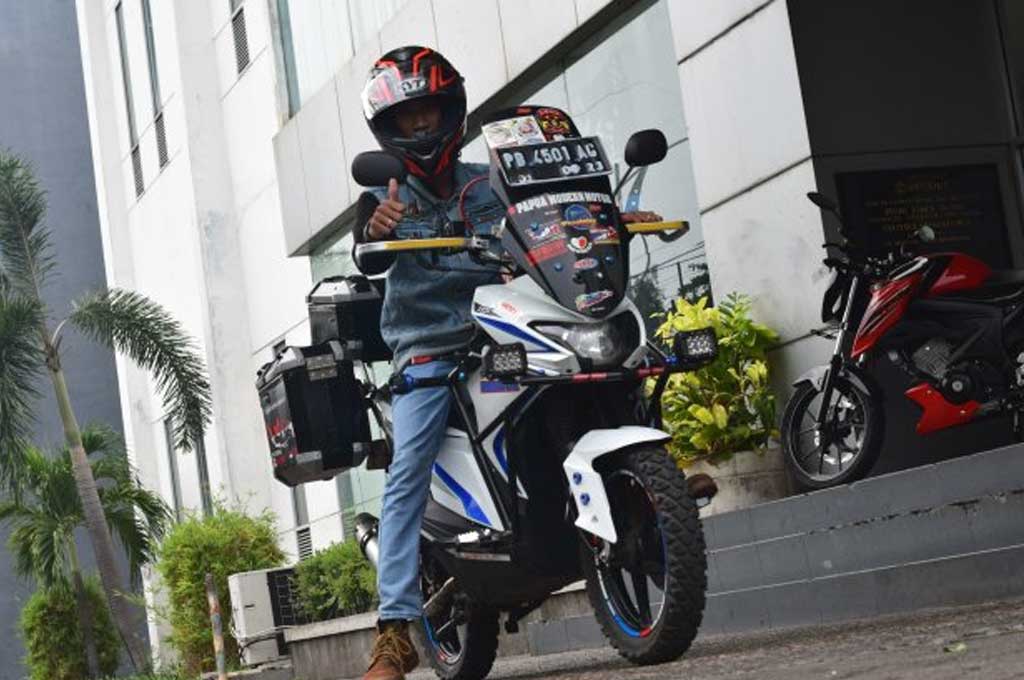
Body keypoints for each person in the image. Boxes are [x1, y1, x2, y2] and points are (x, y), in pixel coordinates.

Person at [355, 46, 658, 680]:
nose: (421, 125)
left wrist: (616, 220)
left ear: (454, 111)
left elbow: (560, 220)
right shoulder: (384, 199)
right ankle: (393, 633)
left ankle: (653, 486)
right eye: (408, 118)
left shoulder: (494, 181)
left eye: (430, 111)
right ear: (388, 130)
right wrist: (377, 229)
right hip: (432, 346)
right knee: (408, 468)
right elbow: (368, 252)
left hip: (509, 324)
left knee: (611, 368)